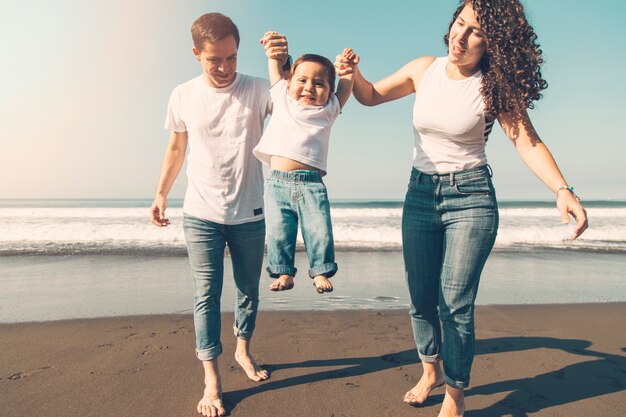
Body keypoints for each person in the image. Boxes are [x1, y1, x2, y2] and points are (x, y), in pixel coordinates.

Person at [336, 1, 588, 416]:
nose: (461, 36)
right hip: (419, 194)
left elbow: (527, 140)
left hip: (470, 199)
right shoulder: (424, 69)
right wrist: (353, 75)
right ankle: (429, 370)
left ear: (494, 44)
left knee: (454, 303)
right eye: (460, 24)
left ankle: (455, 395)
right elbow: (371, 95)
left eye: (475, 32)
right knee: (420, 299)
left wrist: (562, 189)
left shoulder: (493, 86)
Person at [150, 13, 288, 417]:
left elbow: (295, 101)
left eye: (231, 58)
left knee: (248, 290)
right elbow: (177, 148)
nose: (226, 67)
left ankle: (243, 348)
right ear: (197, 54)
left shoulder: (259, 89)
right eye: (215, 60)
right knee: (206, 295)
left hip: (250, 212)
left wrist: (282, 59)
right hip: (201, 213)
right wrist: (161, 193)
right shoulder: (183, 95)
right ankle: (212, 379)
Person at [255, 33, 357, 294]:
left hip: (312, 185)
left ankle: (320, 271)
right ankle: (284, 272)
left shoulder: (329, 109)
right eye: (302, 80)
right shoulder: (282, 98)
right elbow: (276, 68)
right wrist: (272, 52)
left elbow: (345, 86)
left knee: (319, 231)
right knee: (278, 232)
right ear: (289, 84)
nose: (309, 87)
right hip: (277, 183)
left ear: (329, 91)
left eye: (319, 83)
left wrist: (347, 69)